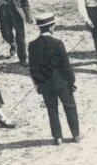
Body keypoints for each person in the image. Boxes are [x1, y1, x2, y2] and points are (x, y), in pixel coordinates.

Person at [28, 12, 80, 146]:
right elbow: (66, 66)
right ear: (51, 27)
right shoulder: (57, 43)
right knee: (70, 107)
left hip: (45, 84)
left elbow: (33, 69)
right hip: (62, 83)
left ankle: (57, 138)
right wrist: (71, 81)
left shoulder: (32, 45)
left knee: (52, 110)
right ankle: (75, 135)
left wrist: (38, 84)